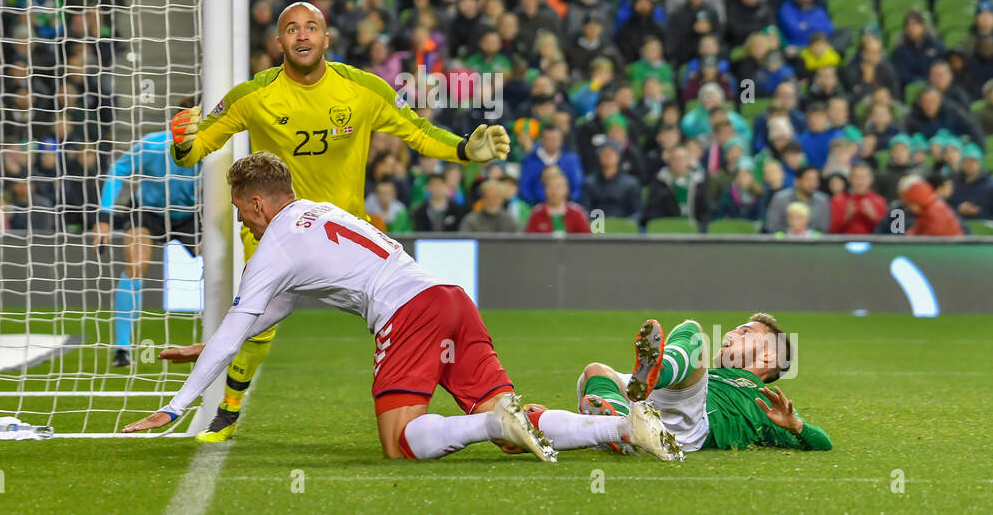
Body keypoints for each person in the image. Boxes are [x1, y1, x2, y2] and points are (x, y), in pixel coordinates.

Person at [123, 153, 682, 463]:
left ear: (258, 202)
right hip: (452, 300)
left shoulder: (273, 244)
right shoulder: (317, 212)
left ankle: (491, 421)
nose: (241, 219)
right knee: (515, 429)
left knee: (399, 441)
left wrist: (175, 407)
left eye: (241, 210)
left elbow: (244, 319)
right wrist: (221, 340)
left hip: (408, 314)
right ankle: (624, 429)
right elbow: (275, 307)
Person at [169, 2, 511, 441]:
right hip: (273, 227)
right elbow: (198, 148)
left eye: (312, 27)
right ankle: (229, 410)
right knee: (256, 322)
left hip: (345, 232)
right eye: (292, 29)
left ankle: (465, 394)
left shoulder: (362, 89)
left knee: (399, 310)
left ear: (327, 38)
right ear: (279, 42)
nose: (302, 35)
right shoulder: (252, 96)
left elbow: (417, 131)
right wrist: (183, 143)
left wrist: (464, 149)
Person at [575, 316, 832, 454]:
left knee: (692, 331)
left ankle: (659, 371)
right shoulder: (713, 375)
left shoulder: (765, 400)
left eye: (744, 333)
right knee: (595, 371)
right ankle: (619, 429)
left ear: (768, 356)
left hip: (692, 426)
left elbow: (824, 444)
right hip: (654, 412)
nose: (730, 334)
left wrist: (796, 426)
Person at [93, 122, 199, 367]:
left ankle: (224, 343)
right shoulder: (153, 144)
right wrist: (104, 217)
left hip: (190, 214)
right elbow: (118, 168)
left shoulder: (212, 147)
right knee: (137, 264)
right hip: (147, 212)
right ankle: (122, 349)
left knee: (219, 266)